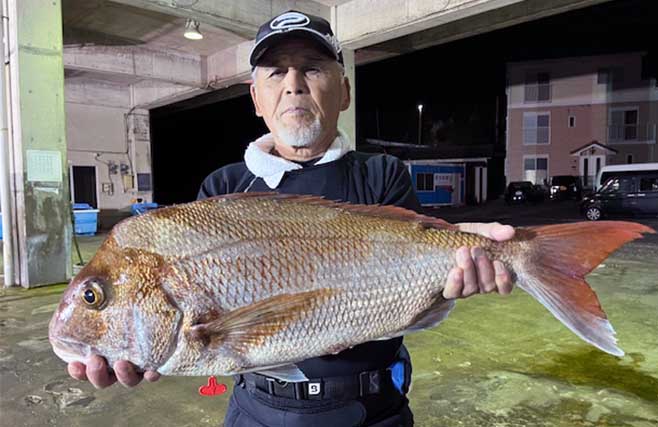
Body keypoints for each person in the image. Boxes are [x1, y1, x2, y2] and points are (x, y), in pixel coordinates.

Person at [67, 10, 514, 426]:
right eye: (276, 72)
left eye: (313, 68)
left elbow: (417, 276)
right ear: (256, 98)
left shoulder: (381, 175)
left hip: (372, 409)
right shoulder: (223, 189)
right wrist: (144, 345)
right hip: (257, 410)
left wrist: (464, 262)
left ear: (345, 91)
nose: (294, 84)